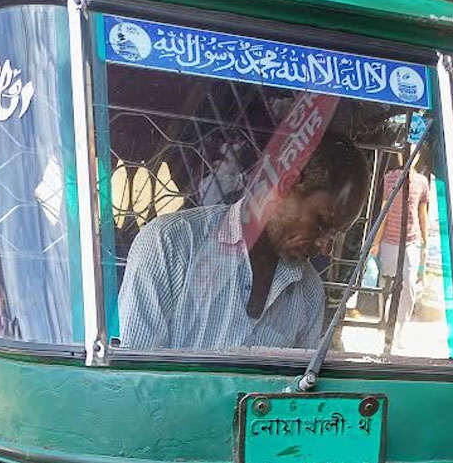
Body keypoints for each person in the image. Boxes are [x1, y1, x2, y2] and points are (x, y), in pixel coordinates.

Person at [119, 131, 369, 351]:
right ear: (289, 181)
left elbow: (295, 395)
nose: (324, 247)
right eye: (321, 223)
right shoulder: (170, 245)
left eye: (335, 234)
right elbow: (137, 384)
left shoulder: (308, 292)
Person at [371, 153, 429, 342]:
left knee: (409, 285)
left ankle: (399, 329)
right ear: (399, 155)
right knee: (386, 284)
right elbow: (384, 211)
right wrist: (376, 242)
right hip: (389, 240)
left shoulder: (421, 182)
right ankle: (386, 324)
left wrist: (425, 244)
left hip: (411, 242)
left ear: (418, 155)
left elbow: (422, 214)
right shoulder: (389, 179)